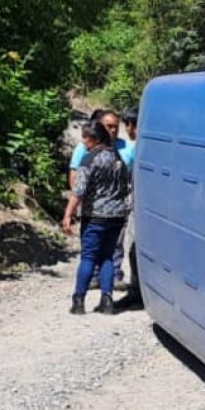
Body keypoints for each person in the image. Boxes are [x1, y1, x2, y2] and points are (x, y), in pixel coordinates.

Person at [62, 120, 130, 315]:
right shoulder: (117, 157)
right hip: (116, 215)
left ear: (94, 139)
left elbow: (79, 190)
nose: (83, 141)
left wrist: (68, 213)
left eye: (85, 137)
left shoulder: (89, 159)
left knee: (88, 257)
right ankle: (107, 300)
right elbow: (125, 185)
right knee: (107, 256)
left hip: (95, 216)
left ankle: (78, 301)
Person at [113, 105, 144, 311]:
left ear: (132, 126)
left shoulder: (138, 148)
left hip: (140, 206)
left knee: (134, 248)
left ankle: (136, 293)